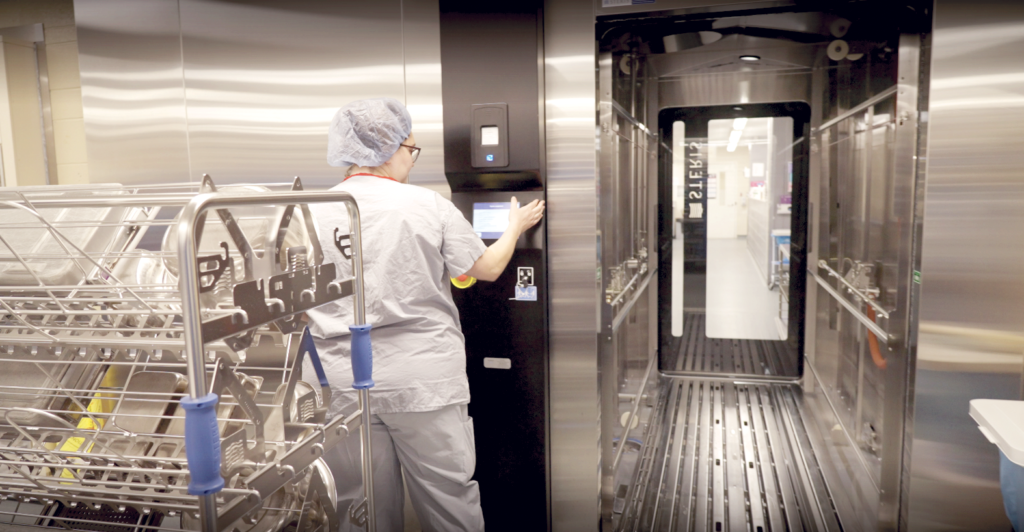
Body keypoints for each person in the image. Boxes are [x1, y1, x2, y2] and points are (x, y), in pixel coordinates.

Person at [303, 97, 544, 532]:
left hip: (340, 383)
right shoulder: (425, 205)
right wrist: (514, 228)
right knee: (449, 500)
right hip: (423, 381)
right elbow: (486, 269)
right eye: (410, 150)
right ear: (389, 148)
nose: (411, 161)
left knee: (361, 509)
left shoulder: (307, 210)